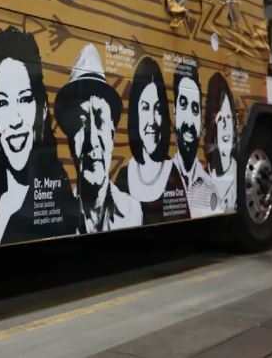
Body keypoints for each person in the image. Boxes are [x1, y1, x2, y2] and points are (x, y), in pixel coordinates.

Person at [0, 27, 77, 245]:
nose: (15, 120)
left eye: (24, 99)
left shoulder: (57, 190)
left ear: (42, 110)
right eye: (2, 102)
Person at [54, 44, 141, 233]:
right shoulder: (60, 219)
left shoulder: (132, 212)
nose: (92, 141)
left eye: (100, 122)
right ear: (69, 140)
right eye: (81, 123)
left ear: (112, 135)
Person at [115, 56, 187, 224]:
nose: (152, 121)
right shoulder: (123, 177)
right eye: (145, 108)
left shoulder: (173, 175)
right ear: (135, 114)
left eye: (158, 109)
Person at [171, 61, 216, 217]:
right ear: (174, 110)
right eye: (183, 105)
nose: (190, 122)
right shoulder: (162, 179)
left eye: (195, 109)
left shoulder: (211, 187)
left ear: (201, 119)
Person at [206, 73, 239, 211]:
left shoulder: (239, 173)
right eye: (220, 119)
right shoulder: (204, 177)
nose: (225, 126)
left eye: (228, 117)